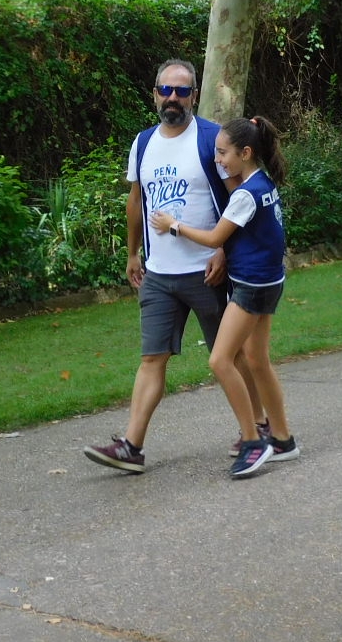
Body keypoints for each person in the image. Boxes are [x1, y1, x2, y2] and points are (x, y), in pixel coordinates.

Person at [83, 60, 264, 474]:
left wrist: (224, 251)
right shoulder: (144, 142)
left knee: (232, 356)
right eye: (166, 90)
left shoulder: (212, 139)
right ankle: (131, 447)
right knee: (152, 358)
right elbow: (136, 201)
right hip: (159, 275)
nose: (173, 98)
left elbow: (239, 196)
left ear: (194, 96)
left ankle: (258, 429)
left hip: (207, 272)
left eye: (182, 91)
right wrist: (133, 253)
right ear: (154, 94)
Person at [148, 116, 298, 479]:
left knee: (220, 360)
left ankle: (253, 442)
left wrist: (173, 225)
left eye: (222, 153)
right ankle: (282, 439)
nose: (217, 160)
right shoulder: (261, 182)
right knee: (257, 360)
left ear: (245, 153)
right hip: (268, 282)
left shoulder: (245, 195)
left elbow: (216, 238)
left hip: (252, 287)